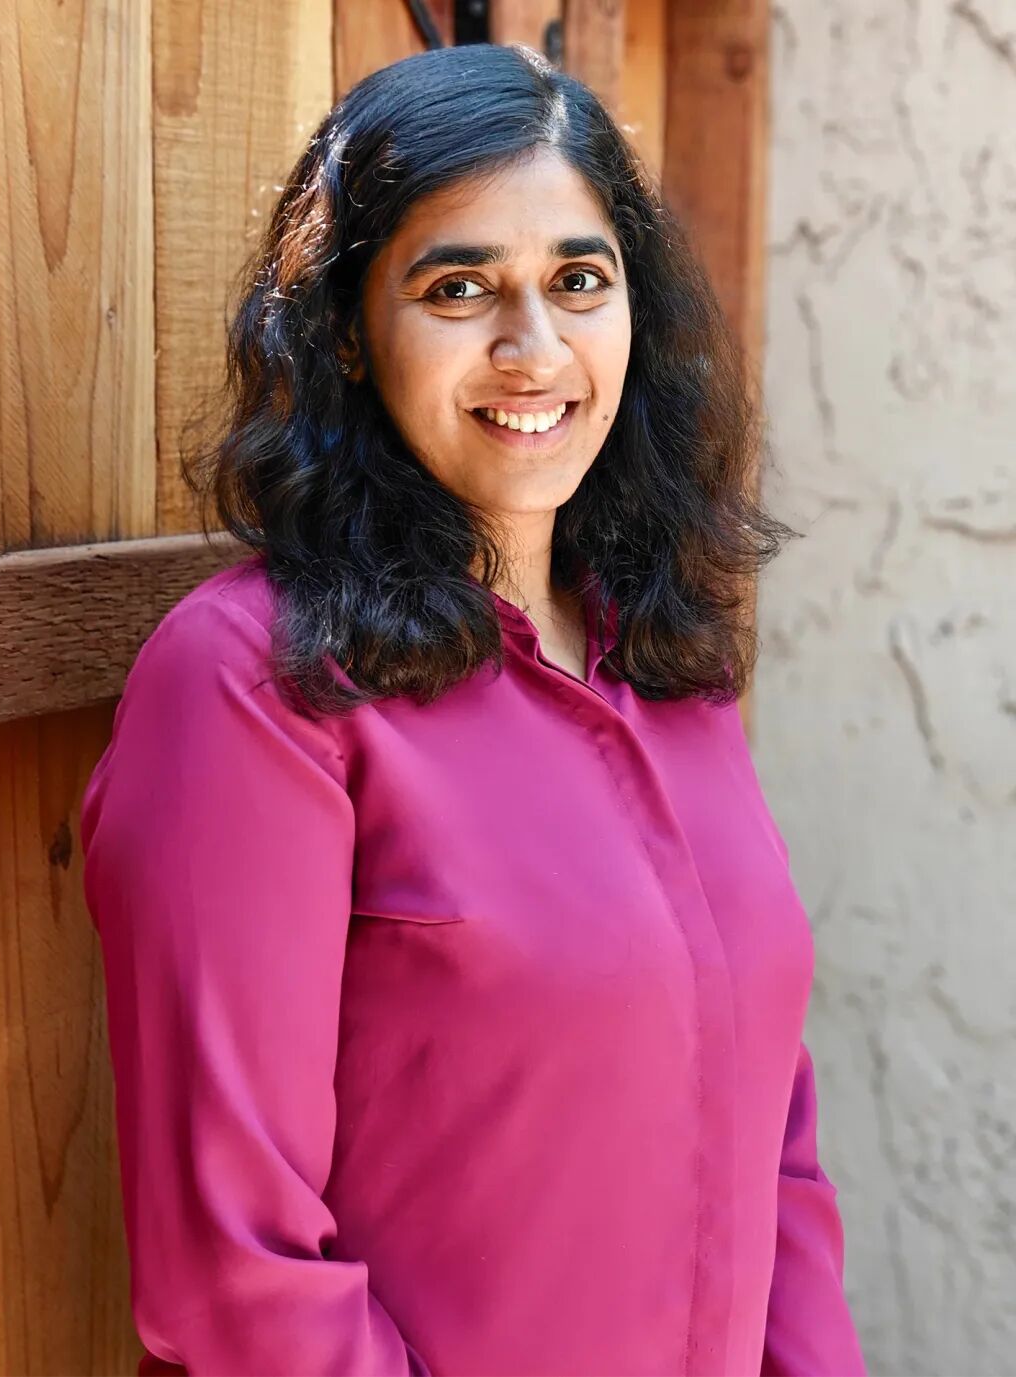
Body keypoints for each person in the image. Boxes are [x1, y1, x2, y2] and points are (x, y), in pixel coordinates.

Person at [80, 41, 868, 1377]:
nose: (535, 348)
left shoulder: (665, 660)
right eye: (460, 288)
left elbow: (771, 1140)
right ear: (345, 328)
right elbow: (235, 1276)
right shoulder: (255, 686)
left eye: (578, 280)